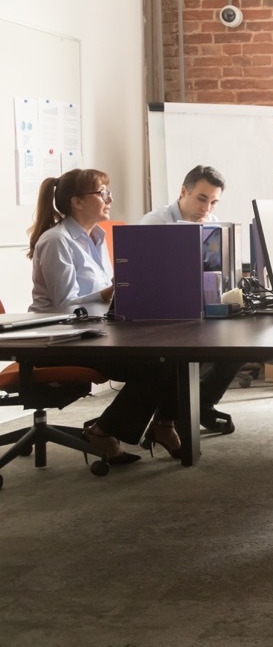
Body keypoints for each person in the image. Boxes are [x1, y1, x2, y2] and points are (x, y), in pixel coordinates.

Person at [27, 169, 181, 464]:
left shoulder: (96, 237)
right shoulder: (57, 241)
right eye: (102, 193)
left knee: (175, 354)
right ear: (78, 202)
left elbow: (102, 296)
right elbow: (63, 305)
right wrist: (110, 292)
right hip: (59, 339)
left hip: (93, 331)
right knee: (156, 364)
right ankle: (102, 431)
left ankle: (164, 424)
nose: (109, 198)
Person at [138, 164, 242, 435]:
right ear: (183, 191)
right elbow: (147, 279)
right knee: (198, 348)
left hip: (195, 307)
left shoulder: (210, 223)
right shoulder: (155, 222)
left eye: (214, 201)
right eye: (202, 198)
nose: (207, 208)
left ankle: (199, 404)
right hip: (159, 313)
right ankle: (176, 414)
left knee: (239, 346)